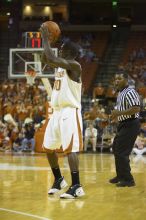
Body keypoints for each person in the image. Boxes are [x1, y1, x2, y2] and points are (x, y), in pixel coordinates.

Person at [40, 24, 85, 199]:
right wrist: (48, 41)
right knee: (49, 148)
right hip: (56, 112)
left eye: (63, 49)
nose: (60, 50)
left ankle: (77, 185)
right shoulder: (60, 66)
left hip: (70, 112)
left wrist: (45, 38)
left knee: (70, 150)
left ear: (69, 53)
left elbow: (51, 57)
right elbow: (46, 58)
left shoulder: (74, 66)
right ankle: (59, 179)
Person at [109, 72, 141, 187]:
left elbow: (136, 109)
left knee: (122, 152)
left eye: (119, 78)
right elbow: (121, 110)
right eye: (115, 79)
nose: (116, 81)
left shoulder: (130, 92)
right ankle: (120, 175)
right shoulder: (121, 93)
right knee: (116, 148)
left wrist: (119, 113)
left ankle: (128, 180)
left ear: (126, 79)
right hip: (123, 123)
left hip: (131, 124)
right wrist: (115, 116)